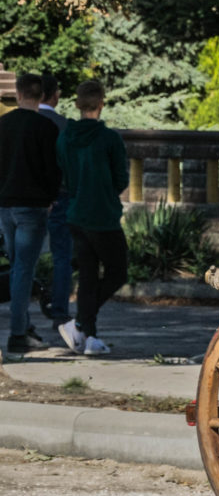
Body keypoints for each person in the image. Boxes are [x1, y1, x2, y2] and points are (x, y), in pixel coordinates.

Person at [54, 80, 127, 357]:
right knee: (117, 271)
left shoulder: (65, 138)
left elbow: (64, 174)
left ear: (77, 103)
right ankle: (82, 324)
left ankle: (90, 336)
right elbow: (120, 178)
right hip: (102, 214)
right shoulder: (109, 139)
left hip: (76, 212)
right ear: (101, 103)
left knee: (87, 276)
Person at [0, 73, 62, 358]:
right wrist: (50, 198)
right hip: (32, 205)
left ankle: (23, 326)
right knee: (24, 270)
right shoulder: (45, 127)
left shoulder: (4, 124)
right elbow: (53, 169)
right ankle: (17, 334)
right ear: (41, 96)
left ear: (18, 93)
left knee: (18, 267)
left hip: (6, 204)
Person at [35, 76, 73, 342]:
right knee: (62, 256)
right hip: (60, 196)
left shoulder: (17, 122)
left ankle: (20, 318)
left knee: (21, 260)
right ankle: (59, 312)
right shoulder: (63, 125)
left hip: (23, 198)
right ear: (54, 95)